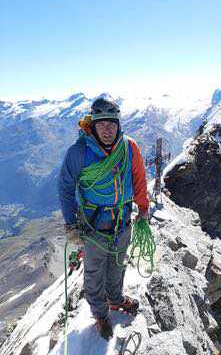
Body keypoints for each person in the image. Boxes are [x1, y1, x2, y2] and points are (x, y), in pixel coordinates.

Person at [58, 97, 149, 339]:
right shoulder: (79, 152)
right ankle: (100, 313)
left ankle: (116, 300)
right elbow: (66, 188)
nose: (107, 129)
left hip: (122, 221)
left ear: (118, 125)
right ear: (93, 126)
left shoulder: (130, 147)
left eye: (112, 124)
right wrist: (71, 223)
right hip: (93, 225)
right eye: (102, 125)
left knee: (117, 265)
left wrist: (143, 208)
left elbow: (139, 178)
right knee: (94, 272)